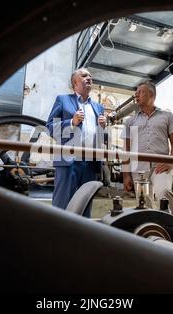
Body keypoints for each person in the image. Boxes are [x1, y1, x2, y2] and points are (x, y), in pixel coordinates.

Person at [46, 68, 106, 217]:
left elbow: (99, 137)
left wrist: (103, 129)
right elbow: (50, 127)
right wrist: (71, 122)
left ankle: (81, 237)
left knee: (85, 205)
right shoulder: (63, 100)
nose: (89, 78)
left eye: (91, 76)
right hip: (69, 161)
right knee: (63, 204)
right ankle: (57, 236)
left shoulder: (99, 107)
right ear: (75, 82)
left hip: (90, 163)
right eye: (84, 75)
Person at [121, 81, 173, 216]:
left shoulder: (167, 116)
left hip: (160, 165)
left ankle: (172, 228)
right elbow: (126, 149)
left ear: (152, 95)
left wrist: (171, 161)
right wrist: (126, 175)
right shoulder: (130, 121)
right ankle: (151, 231)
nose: (136, 94)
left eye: (141, 92)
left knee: (163, 193)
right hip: (138, 168)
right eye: (136, 92)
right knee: (143, 203)